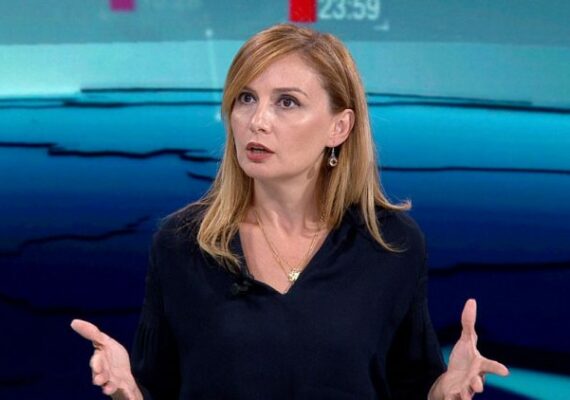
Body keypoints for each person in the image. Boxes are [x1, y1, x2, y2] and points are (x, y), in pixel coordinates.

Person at [71, 23, 509, 399]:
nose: (257, 121)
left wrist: (442, 391)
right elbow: (158, 386)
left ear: (339, 127)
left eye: (286, 102)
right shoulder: (182, 243)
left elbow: (410, 384)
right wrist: (128, 392)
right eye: (246, 98)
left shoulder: (392, 244)